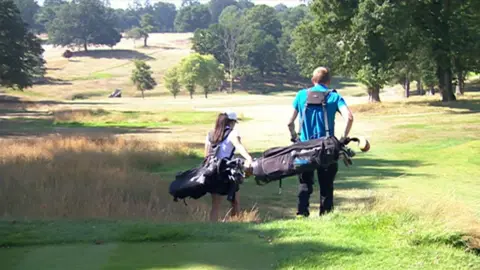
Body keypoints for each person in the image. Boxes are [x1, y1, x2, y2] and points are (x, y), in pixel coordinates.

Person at [287, 67, 354, 217]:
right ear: (329, 81)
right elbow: (349, 117)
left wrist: (294, 137)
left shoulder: (301, 95)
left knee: (304, 183)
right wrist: (342, 139)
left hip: (305, 148)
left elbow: (289, 122)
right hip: (327, 148)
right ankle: (326, 215)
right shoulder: (334, 97)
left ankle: (302, 213)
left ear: (313, 80)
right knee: (326, 186)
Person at [204, 111, 253, 222]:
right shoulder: (232, 133)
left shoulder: (211, 134)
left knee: (215, 205)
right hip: (228, 172)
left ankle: (212, 228)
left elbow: (206, 155)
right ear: (231, 122)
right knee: (235, 202)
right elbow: (239, 147)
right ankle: (235, 225)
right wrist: (249, 158)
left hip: (213, 171)